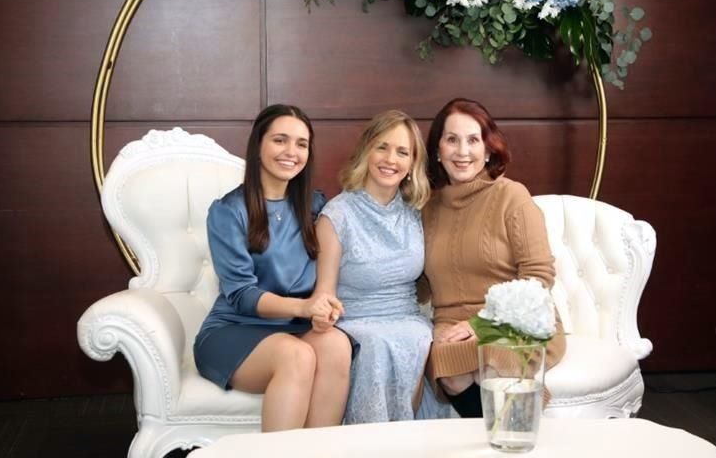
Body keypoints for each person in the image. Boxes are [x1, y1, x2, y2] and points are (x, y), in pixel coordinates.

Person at [194, 104, 352, 431]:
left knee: (337, 344)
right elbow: (240, 294)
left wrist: (323, 305)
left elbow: (331, 266)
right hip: (234, 329)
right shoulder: (228, 211)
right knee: (296, 356)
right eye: (280, 140)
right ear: (259, 145)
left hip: (293, 327)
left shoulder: (315, 206)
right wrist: (306, 307)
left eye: (301, 143)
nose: (291, 152)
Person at [422, 97, 564, 417]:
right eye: (452, 140)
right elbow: (417, 281)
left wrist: (482, 323)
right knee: (450, 365)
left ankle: (514, 441)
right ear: (437, 150)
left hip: (515, 320)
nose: (462, 151)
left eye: (473, 140)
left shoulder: (511, 196)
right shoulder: (426, 207)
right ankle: (496, 444)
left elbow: (539, 277)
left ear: (488, 150)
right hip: (452, 324)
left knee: (496, 357)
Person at [315, 110, 439, 423]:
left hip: (407, 318)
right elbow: (324, 293)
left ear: (412, 164)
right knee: (375, 345)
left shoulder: (417, 212)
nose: (390, 159)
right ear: (366, 151)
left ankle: (403, 449)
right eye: (382, 147)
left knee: (416, 336)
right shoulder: (337, 215)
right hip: (355, 320)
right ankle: (368, 450)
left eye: (402, 152)